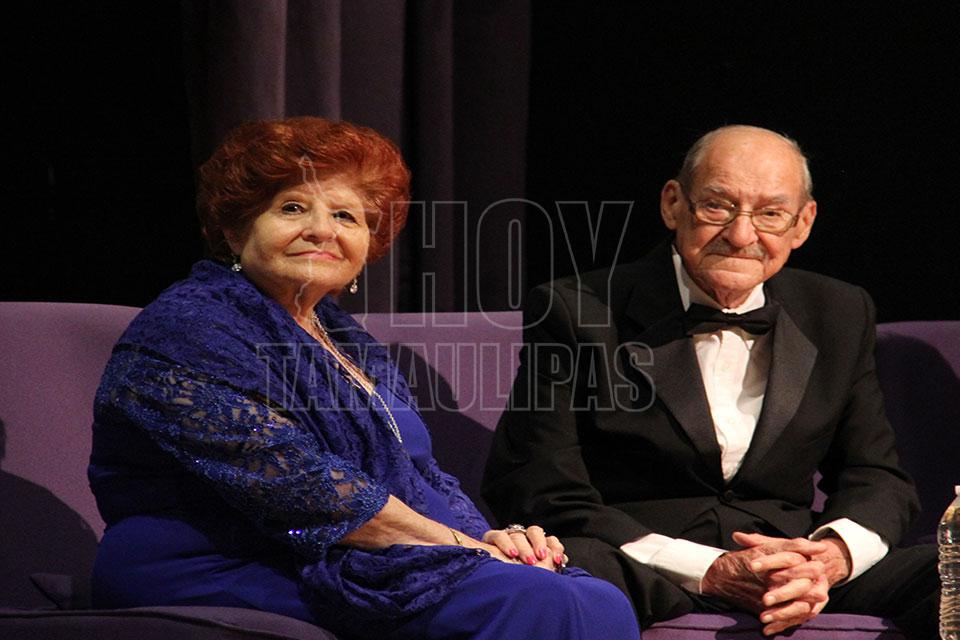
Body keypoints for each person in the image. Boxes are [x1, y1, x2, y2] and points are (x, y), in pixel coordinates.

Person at [88, 116, 640, 640]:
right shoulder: (190, 328)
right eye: (293, 207)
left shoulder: (345, 339)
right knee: (538, 602)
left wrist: (497, 540)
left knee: (595, 596)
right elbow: (307, 491)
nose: (321, 230)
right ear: (235, 232)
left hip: (341, 549)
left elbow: (419, 471)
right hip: (215, 560)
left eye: (346, 217)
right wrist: (471, 551)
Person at [483, 125, 938, 638]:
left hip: (793, 559)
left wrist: (828, 558)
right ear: (673, 204)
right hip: (646, 563)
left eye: (770, 214)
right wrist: (708, 568)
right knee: (560, 572)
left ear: (803, 223)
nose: (742, 236)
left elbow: (876, 476)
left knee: (950, 574)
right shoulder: (575, 309)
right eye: (718, 207)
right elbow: (537, 485)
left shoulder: (839, 311)